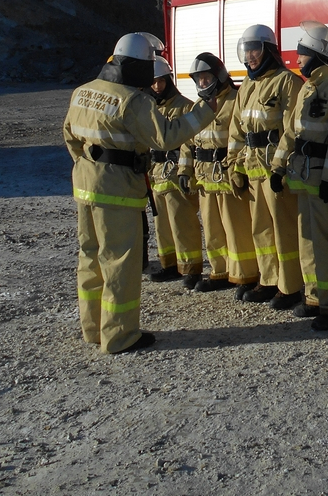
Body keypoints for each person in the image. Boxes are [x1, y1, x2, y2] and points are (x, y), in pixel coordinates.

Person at [62, 32, 214, 354]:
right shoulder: (133, 100)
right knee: (119, 262)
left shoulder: (82, 92)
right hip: (116, 192)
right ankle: (119, 336)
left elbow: (70, 137)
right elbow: (166, 137)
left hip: (85, 187)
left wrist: (87, 166)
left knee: (90, 258)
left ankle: (93, 329)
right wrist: (204, 111)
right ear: (139, 66)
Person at [270, 22, 328, 330]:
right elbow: (291, 133)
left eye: (302, 54)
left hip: (324, 182)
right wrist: (278, 168)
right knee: (308, 242)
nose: (297, 60)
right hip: (303, 176)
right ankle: (315, 297)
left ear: (318, 55)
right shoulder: (308, 86)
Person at [227, 24, 303, 307]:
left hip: (275, 171)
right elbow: (237, 130)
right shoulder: (247, 84)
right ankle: (269, 279)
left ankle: (291, 285)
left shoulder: (287, 82)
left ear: (269, 50)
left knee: (284, 229)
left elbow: (292, 130)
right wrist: (234, 166)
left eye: (255, 50)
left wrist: (282, 167)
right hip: (253, 168)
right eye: (246, 51)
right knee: (261, 228)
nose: (250, 57)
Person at [185, 52, 259, 295]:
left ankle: (244, 274)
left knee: (236, 228)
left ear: (218, 76)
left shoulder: (235, 101)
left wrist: (238, 170)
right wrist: (184, 171)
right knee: (212, 230)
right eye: (199, 80)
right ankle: (220, 271)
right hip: (205, 179)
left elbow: (241, 138)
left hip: (226, 178)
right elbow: (188, 142)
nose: (203, 84)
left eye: (206, 78)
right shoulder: (198, 106)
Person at [145, 57, 207, 290]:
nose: (157, 87)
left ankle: (191, 268)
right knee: (161, 224)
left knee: (183, 223)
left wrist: (184, 171)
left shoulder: (184, 106)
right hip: (157, 174)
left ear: (169, 80)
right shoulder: (149, 107)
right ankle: (169, 263)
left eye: (161, 81)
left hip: (174, 173)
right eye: (153, 82)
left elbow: (188, 143)